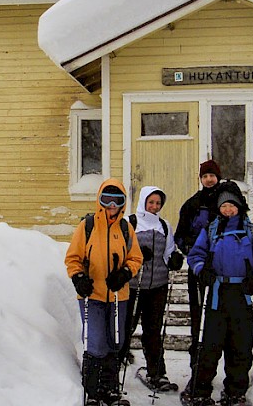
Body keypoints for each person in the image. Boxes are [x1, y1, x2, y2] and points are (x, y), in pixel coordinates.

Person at [184, 181, 253, 406]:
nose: (228, 210)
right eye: (224, 206)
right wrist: (201, 271)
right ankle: (200, 391)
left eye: (232, 205)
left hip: (244, 294)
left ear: (239, 206)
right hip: (217, 293)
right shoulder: (211, 230)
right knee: (209, 345)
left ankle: (235, 391)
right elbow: (195, 255)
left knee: (240, 346)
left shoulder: (251, 230)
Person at [65, 178, 144, 406]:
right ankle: (92, 390)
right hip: (93, 296)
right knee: (96, 342)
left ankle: (111, 389)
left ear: (123, 203)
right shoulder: (87, 226)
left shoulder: (126, 228)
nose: (111, 205)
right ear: (100, 201)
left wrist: (125, 273)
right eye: (106, 200)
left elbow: (135, 257)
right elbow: (73, 258)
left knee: (115, 342)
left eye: (116, 200)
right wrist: (79, 278)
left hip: (119, 295)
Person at [120, 186, 184, 391]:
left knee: (153, 332)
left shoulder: (164, 226)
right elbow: (121, 251)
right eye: (151, 202)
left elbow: (168, 252)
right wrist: (137, 253)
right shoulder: (131, 223)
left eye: (158, 203)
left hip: (157, 285)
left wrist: (174, 259)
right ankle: (112, 368)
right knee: (125, 327)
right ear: (143, 201)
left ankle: (157, 373)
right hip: (132, 285)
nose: (154, 206)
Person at [175, 160, 223, 401]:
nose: (209, 180)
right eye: (206, 176)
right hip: (199, 270)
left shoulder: (228, 201)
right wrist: (191, 252)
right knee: (199, 319)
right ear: (200, 178)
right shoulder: (193, 204)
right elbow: (180, 235)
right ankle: (198, 371)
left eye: (213, 176)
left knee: (219, 320)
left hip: (223, 271)